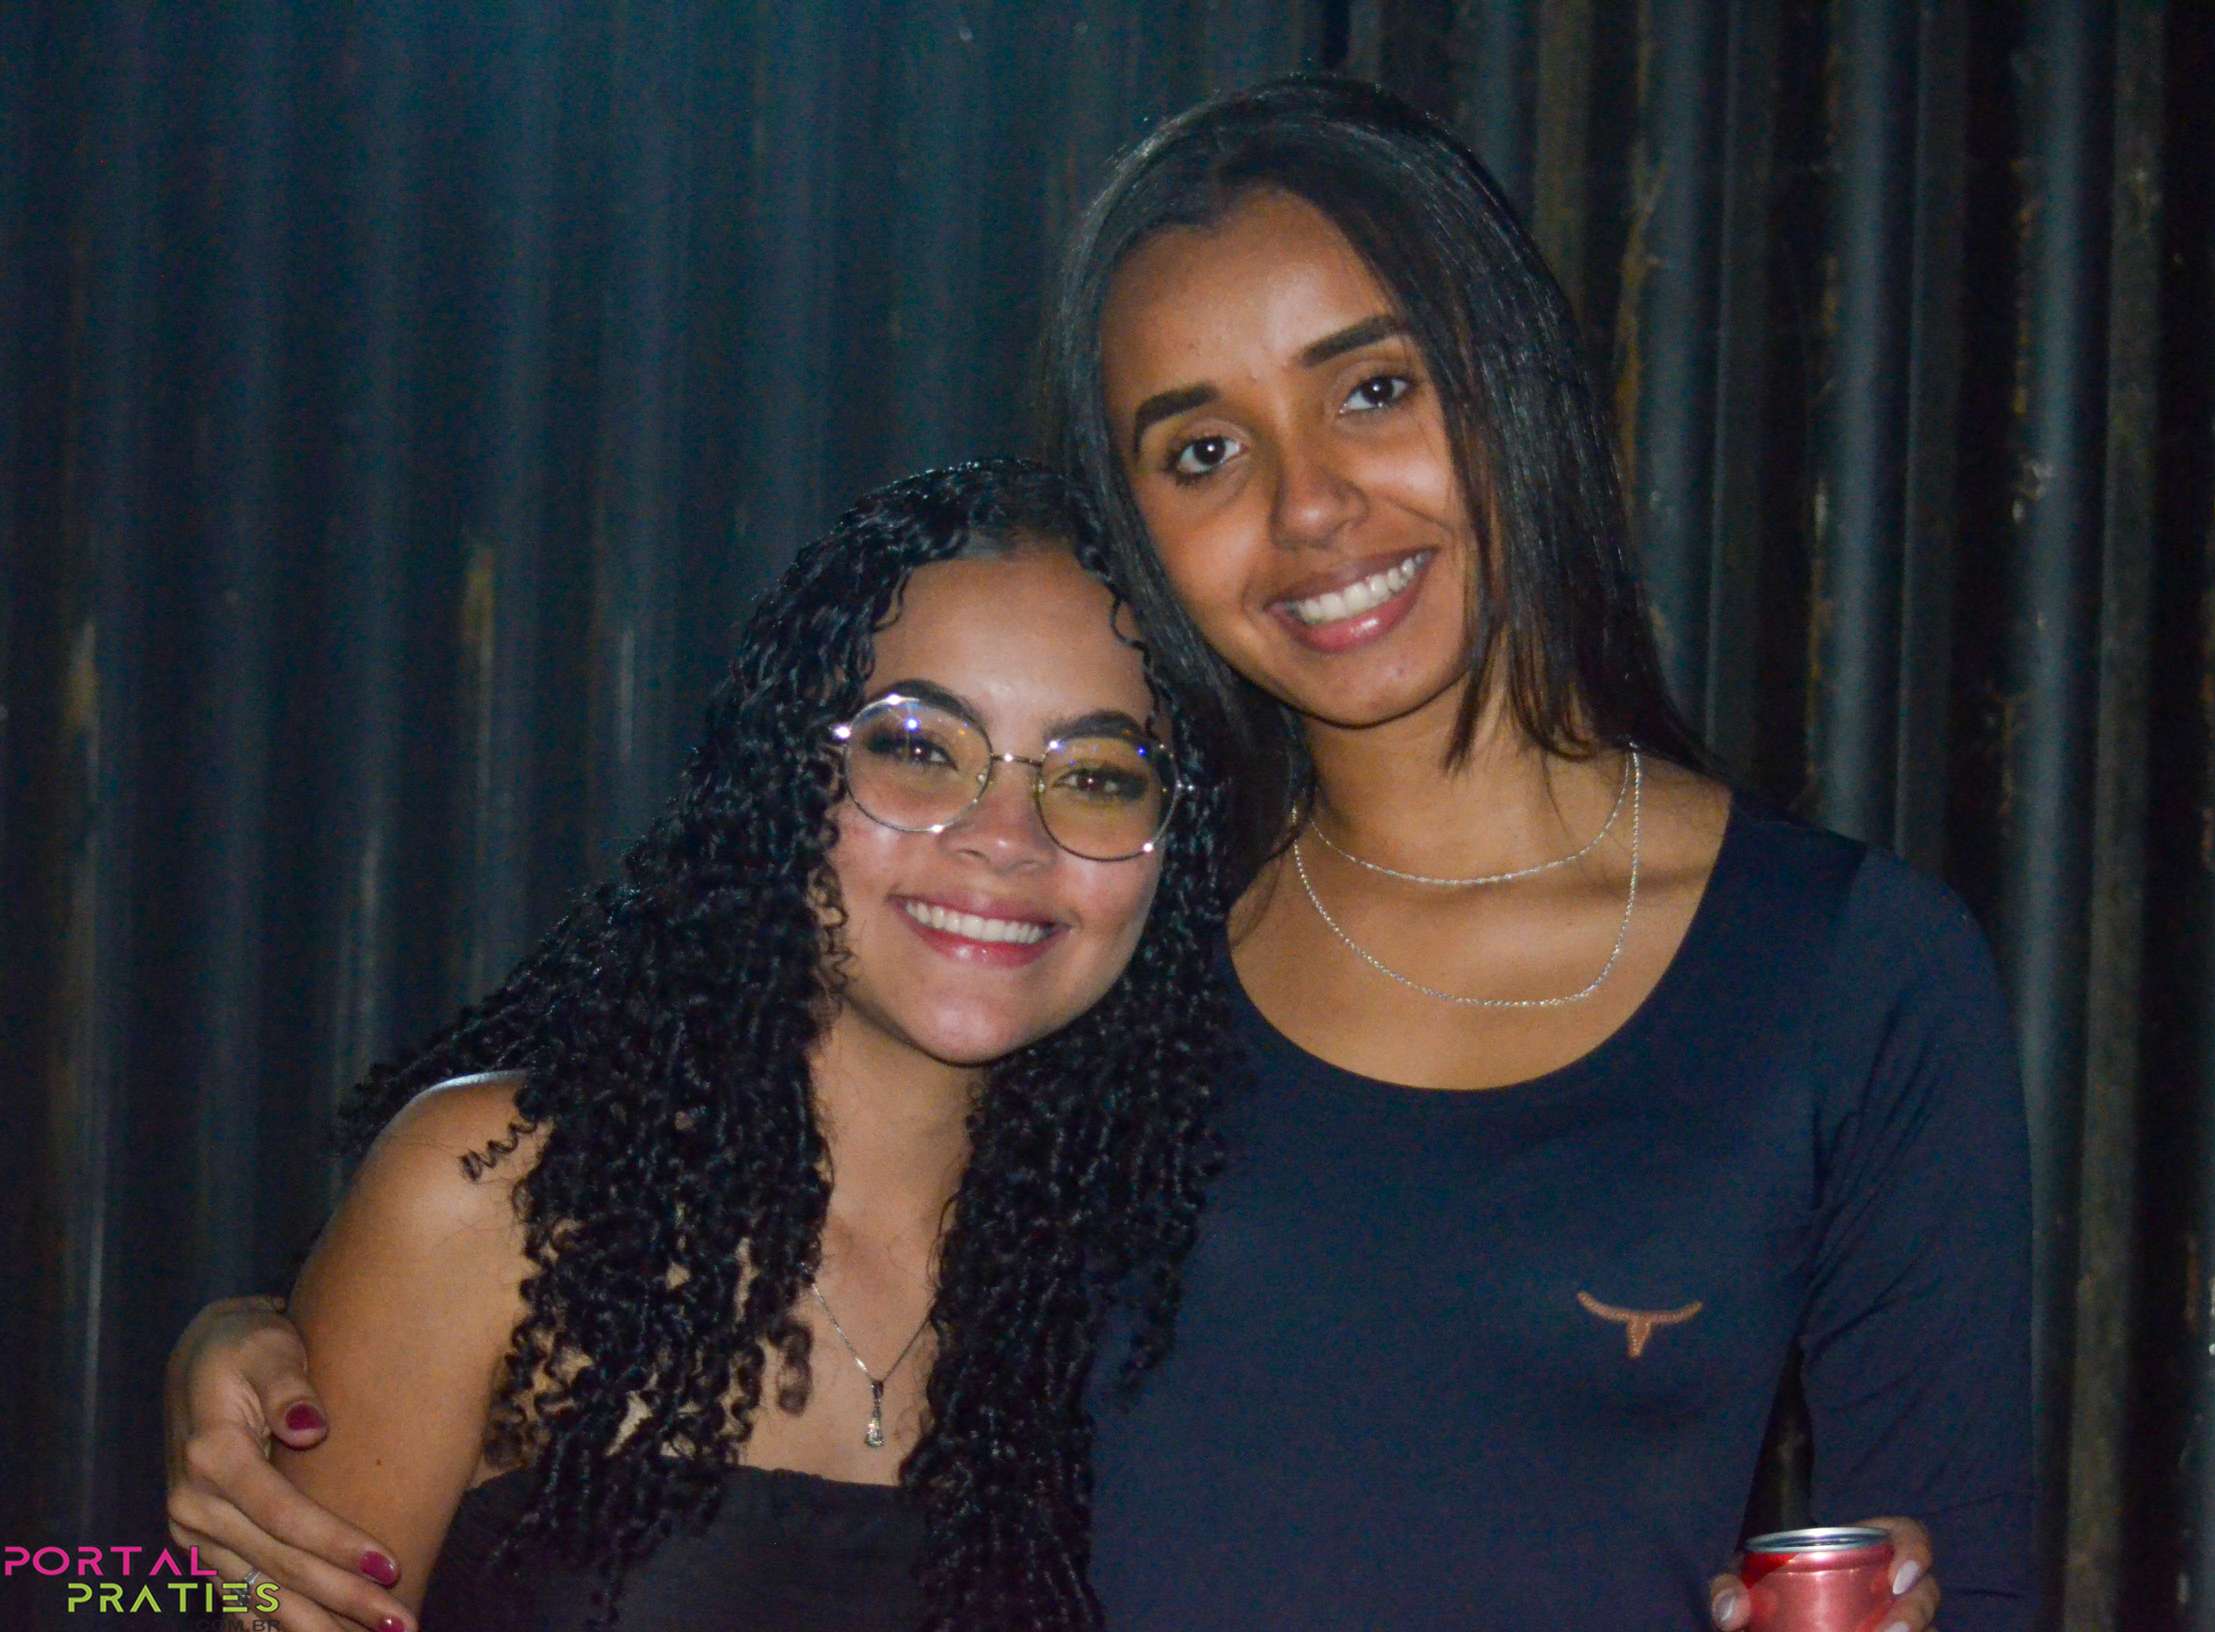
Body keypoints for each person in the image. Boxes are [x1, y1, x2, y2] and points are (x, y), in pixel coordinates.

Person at [168, 75, 2019, 1631]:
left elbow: (1964, 1573)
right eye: (1200, 449)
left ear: (1508, 375)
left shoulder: (1843, 972)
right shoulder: (1118, 956)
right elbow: (161, 1579)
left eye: (1373, 387)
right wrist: (229, 1385)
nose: (1310, 504)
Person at [163, 460, 1236, 1630]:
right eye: (920, 747)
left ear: (1172, 853)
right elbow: (191, 1596)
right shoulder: (505, 1194)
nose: (1005, 837)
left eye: (1096, 776)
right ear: (786, 781)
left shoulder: (1161, 1286)